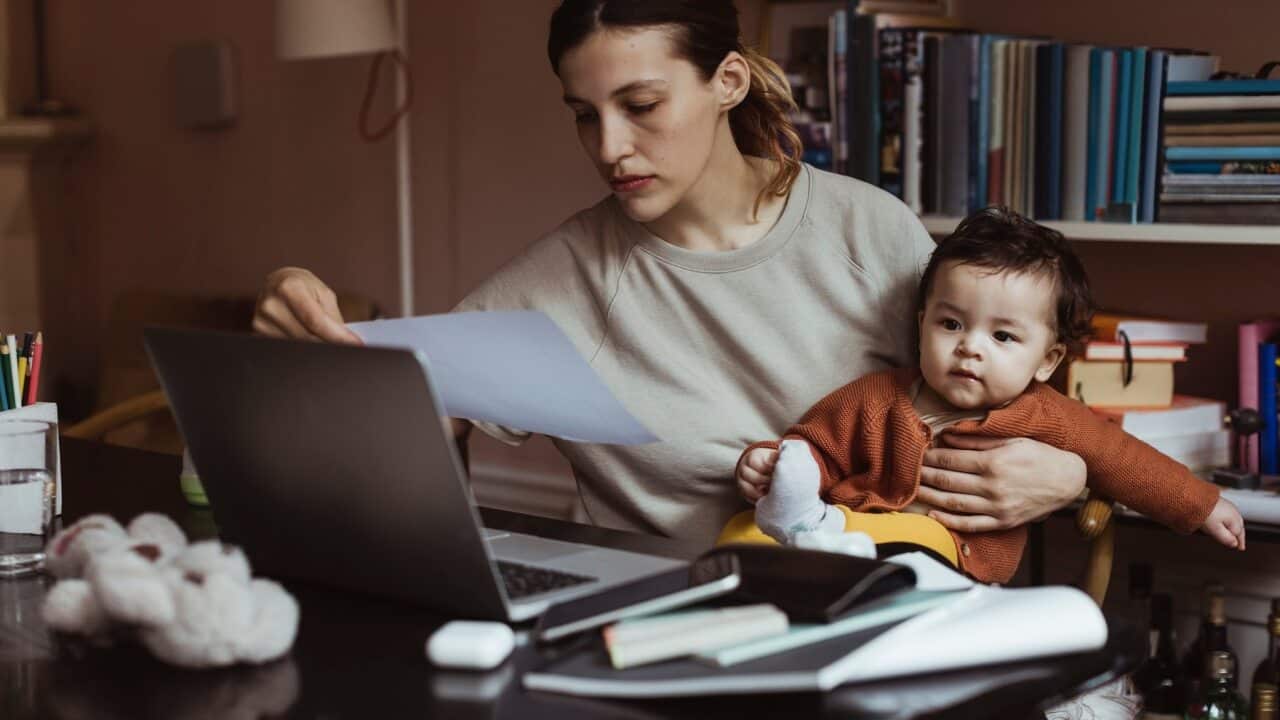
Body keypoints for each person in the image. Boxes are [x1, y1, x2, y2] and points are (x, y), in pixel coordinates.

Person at [252, 0, 1089, 548]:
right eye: (586, 115)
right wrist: (313, 331)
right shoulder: (564, 278)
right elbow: (418, 423)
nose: (609, 147)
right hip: (664, 630)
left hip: (877, 609)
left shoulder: (869, 229)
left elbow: (1015, 387)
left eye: (641, 107)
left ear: (727, 82)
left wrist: (1070, 472)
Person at [726, 207, 1246, 583]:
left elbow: (1125, 460)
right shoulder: (877, 396)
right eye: (951, 323)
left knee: (914, 545)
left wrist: (1201, 505)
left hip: (951, 556)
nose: (969, 348)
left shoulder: (1047, 416)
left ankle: (824, 549)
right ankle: (801, 539)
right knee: (740, 532)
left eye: (1002, 336)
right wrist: (772, 465)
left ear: (1047, 360)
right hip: (846, 529)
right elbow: (815, 445)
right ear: (921, 323)